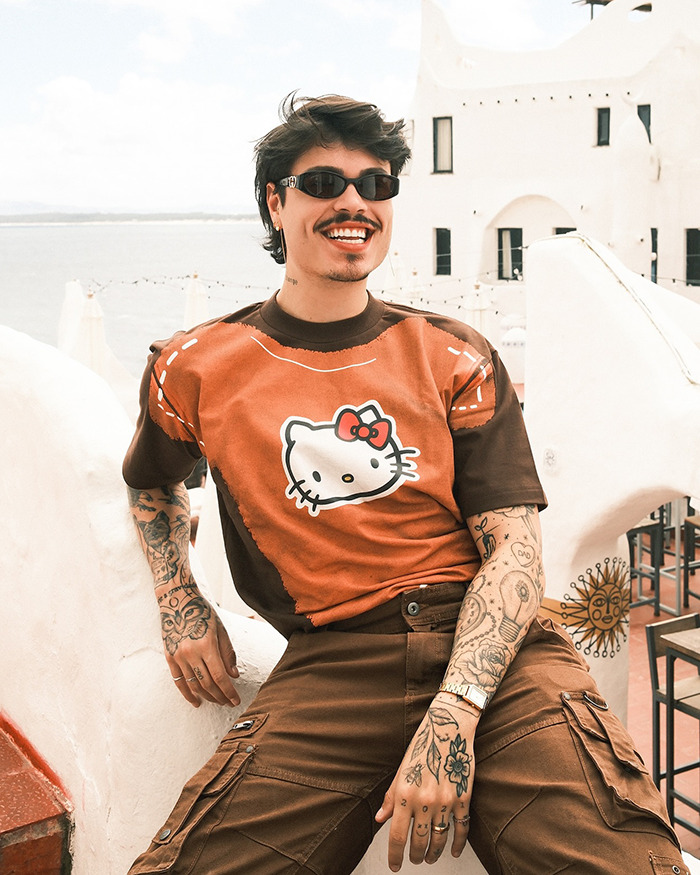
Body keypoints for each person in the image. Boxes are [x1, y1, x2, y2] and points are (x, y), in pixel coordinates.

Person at [123, 93, 688, 875]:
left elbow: (516, 552)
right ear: (276, 203)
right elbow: (152, 485)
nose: (354, 202)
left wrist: (455, 711)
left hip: (500, 662)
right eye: (324, 182)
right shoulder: (195, 367)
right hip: (333, 666)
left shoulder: (451, 352)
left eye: (376, 184)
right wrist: (180, 601)